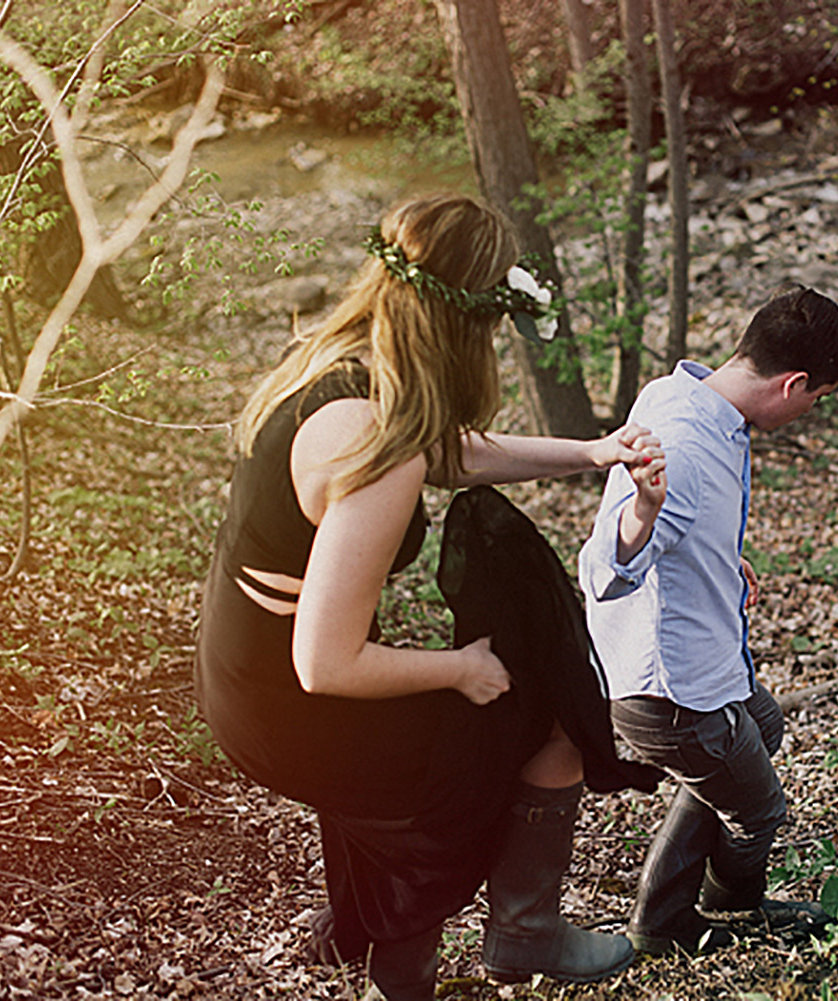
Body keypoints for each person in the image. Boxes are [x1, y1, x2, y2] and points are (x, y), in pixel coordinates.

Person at [193, 192, 664, 1000]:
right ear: (472, 325)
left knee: (446, 739)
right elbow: (326, 662)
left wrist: (591, 451)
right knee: (543, 718)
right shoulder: (378, 447)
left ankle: (360, 926)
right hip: (293, 701)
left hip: (237, 671)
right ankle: (495, 940)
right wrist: (458, 667)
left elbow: (445, 450)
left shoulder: (331, 363)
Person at [578, 285, 838, 957]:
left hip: (694, 662)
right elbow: (605, 571)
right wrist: (644, 517)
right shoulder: (684, 444)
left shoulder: (679, 394)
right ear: (793, 382)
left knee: (763, 725)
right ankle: (715, 911)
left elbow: (683, 519)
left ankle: (684, 901)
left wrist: (717, 554)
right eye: (817, 398)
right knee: (759, 809)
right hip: (669, 689)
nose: (811, 410)